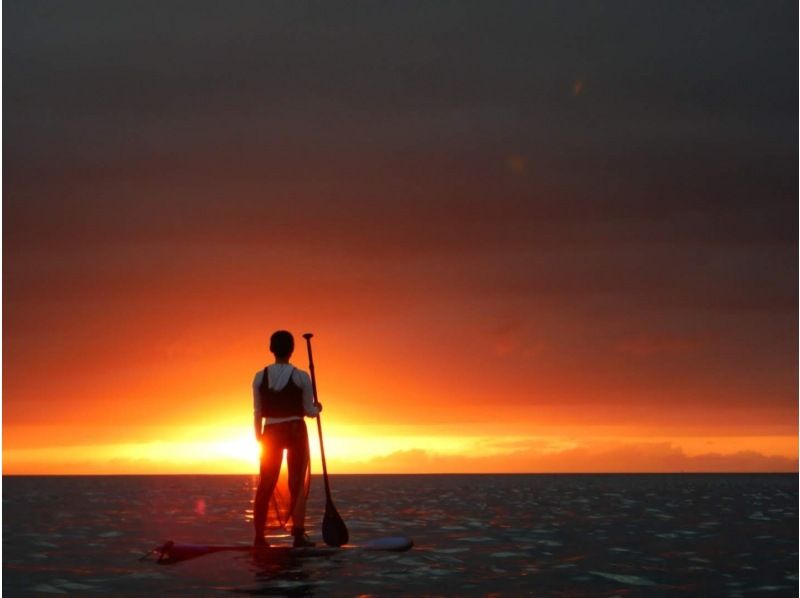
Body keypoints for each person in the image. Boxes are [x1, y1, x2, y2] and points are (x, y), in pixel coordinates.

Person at [252, 330, 322, 548]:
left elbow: (257, 412)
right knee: (296, 486)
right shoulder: (302, 376)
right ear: (292, 350)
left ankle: (259, 538)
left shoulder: (259, 377)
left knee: (266, 485)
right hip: (295, 430)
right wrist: (318, 408)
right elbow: (309, 411)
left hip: (270, 432)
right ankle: (299, 536)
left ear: (271, 349)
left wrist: (259, 438)